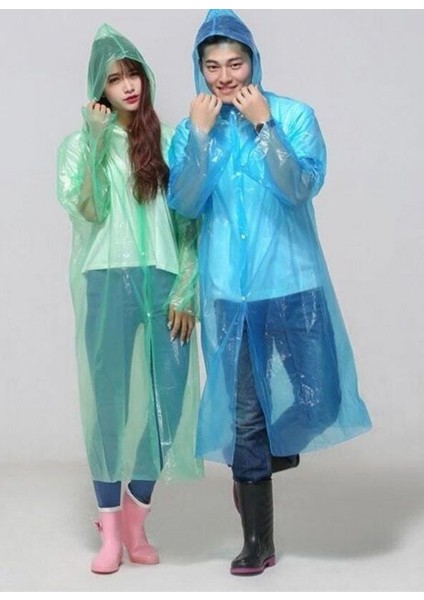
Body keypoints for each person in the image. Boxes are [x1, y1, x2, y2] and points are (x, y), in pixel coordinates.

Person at [168, 9, 372, 576]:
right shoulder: (192, 128)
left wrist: (265, 127)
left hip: (292, 283)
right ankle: (257, 542)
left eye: (235, 63)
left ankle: (254, 464)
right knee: (247, 418)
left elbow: (299, 186)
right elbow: (184, 202)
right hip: (229, 293)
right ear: (200, 69)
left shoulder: (293, 115)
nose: (224, 76)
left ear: (253, 61)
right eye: (212, 66)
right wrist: (200, 138)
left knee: (320, 400)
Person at [56, 23, 203, 575]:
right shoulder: (79, 145)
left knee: (169, 400)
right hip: (107, 277)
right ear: (100, 88)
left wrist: (186, 286)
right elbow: (90, 211)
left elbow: (188, 220)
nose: (129, 85)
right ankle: (111, 530)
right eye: (115, 79)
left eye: (133, 73)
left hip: (165, 280)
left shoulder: (169, 140)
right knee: (109, 404)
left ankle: (138, 520)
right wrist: (96, 141)